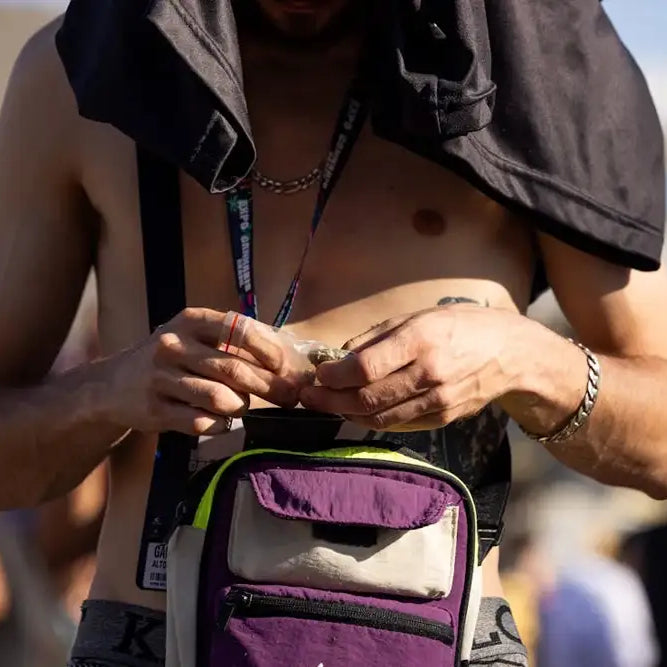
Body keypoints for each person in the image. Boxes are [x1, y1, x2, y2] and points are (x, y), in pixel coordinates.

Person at [0, 0, 664, 665]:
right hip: (154, 636)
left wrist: (523, 360)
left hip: (449, 641)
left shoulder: (539, 78)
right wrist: (107, 393)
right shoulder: (77, 76)